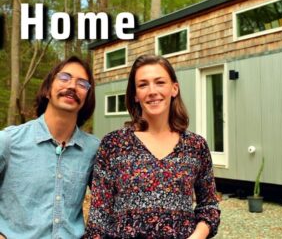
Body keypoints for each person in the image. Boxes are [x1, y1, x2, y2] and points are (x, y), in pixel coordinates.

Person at [85, 54, 220, 239]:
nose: (152, 91)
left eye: (159, 82)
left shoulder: (195, 146)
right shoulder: (113, 144)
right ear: (135, 95)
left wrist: (197, 236)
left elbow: (209, 206)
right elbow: (98, 219)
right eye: (143, 85)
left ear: (174, 89)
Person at [0, 56, 100, 239]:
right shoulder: (8, 141)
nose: (71, 86)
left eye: (82, 83)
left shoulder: (94, 150)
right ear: (47, 90)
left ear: (87, 97)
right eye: (64, 78)